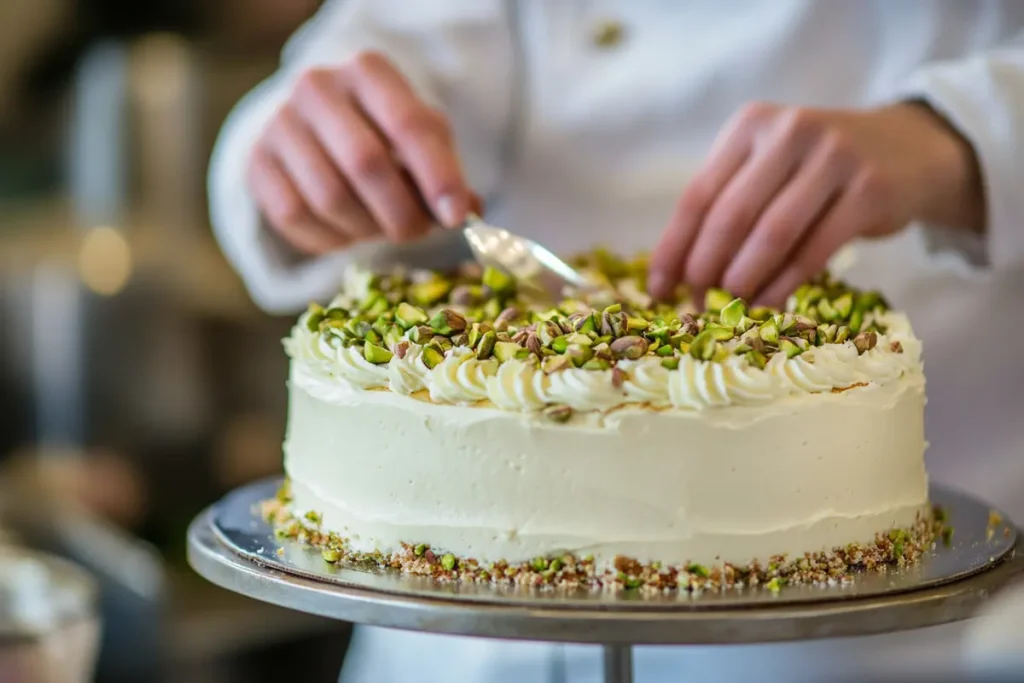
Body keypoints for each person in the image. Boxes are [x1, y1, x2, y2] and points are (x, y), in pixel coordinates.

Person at [208, 2, 1024, 681]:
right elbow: (358, 60)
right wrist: (301, 151)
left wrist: (965, 136)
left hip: (880, 652)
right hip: (453, 651)